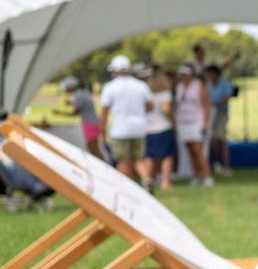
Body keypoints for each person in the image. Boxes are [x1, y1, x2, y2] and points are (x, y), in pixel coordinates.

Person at [98, 55, 153, 185]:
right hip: (139, 128)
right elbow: (150, 106)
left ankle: (128, 186)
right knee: (138, 159)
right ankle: (146, 179)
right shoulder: (141, 85)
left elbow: (104, 112)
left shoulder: (110, 87)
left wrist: (102, 131)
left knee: (123, 160)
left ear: (114, 71)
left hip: (120, 129)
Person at [174, 64, 213, 186]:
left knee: (198, 150)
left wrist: (205, 123)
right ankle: (196, 176)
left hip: (197, 121)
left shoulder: (199, 85)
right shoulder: (179, 86)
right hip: (183, 121)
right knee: (191, 151)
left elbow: (207, 105)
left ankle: (207, 176)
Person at [54, 76, 102, 159]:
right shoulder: (82, 92)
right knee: (92, 147)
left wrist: (59, 113)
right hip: (93, 122)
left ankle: (102, 166)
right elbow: (79, 103)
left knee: (93, 147)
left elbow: (74, 113)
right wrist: (70, 102)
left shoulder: (79, 95)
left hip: (89, 123)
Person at [144, 69, 177, 190]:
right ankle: (166, 182)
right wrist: (173, 120)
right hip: (164, 127)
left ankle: (148, 179)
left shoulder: (147, 94)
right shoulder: (166, 93)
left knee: (150, 156)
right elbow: (166, 110)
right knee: (167, 156)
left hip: (149, 128)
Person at [205, 64, 235, 177]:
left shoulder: (224, 84)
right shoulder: (207, 85)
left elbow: (226, 99)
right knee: (212, 140)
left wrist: (214, 104)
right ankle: (217, 163)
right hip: (210, 116)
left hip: (221, 115)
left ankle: (227, 166)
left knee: (221, 139)